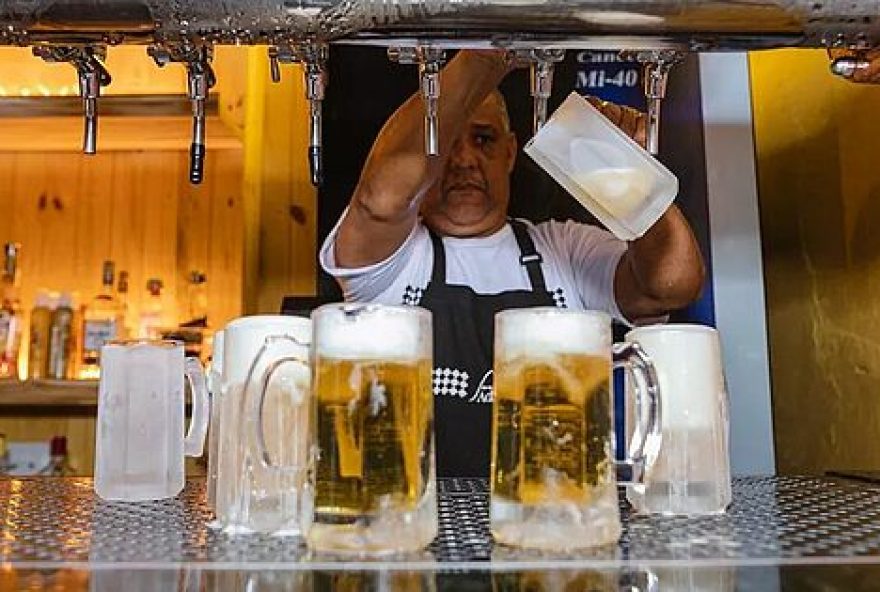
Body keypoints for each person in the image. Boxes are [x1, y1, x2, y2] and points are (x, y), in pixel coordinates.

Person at [319, 50, 705, 478]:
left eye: (483, 139)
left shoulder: (563, 248)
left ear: (509, 152)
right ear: (424, 159)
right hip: (411, 526)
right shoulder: (393, 263)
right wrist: (490, 51)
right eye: (447, 144)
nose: (464, 160)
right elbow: (380, 201)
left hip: (552, 522)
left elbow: (670, 284)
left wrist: (625, 174)